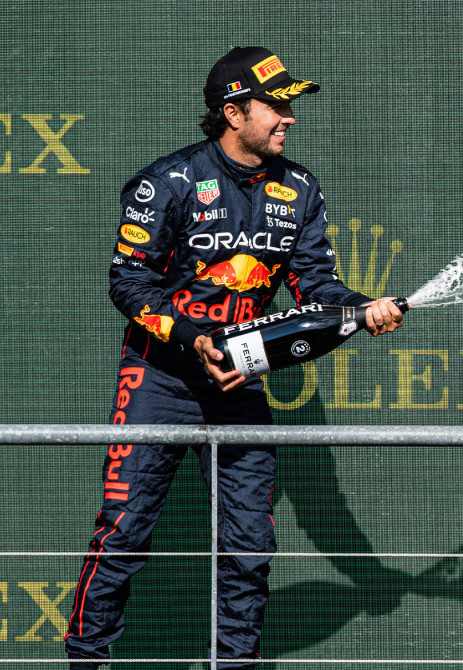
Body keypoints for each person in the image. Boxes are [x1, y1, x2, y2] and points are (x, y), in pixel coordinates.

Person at [64, 47, 404, 669]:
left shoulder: (298, 188)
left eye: (290, 105)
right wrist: (194, 337)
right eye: (276, 106)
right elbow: (128, 283)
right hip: (158, 379)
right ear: (233, 112)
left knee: (249, 544)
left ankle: (237, 667)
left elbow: (316, 290)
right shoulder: (166, 182)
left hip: (239, 380)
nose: (289, 118)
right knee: (123, 534)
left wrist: (363, 308)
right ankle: (85, 661)